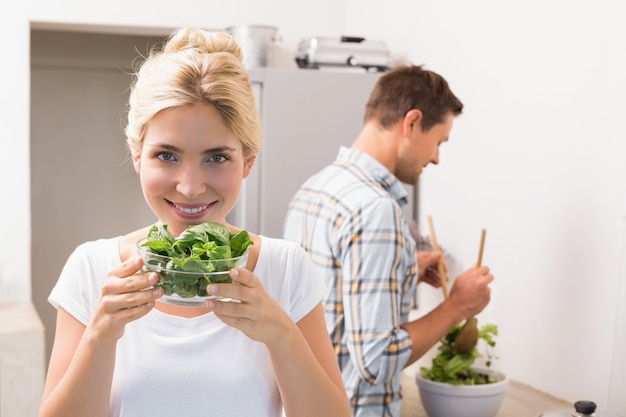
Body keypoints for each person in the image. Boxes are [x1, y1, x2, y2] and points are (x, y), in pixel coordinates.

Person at [39, 27, 351, 417]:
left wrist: (281, 334)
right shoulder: (91, 268)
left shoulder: (285, 268)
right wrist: (100, 335)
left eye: (216, 157)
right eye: (166, 155)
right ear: (137, 154)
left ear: (248, 162)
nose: (189, 187)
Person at [282, 65, 494, 417]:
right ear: (411, 122)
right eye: (439, 141)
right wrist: (458, 305)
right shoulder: (375, 209)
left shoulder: (316, 188)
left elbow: (333, 296)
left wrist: (407, 268)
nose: (437, 158)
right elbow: (377, 361)